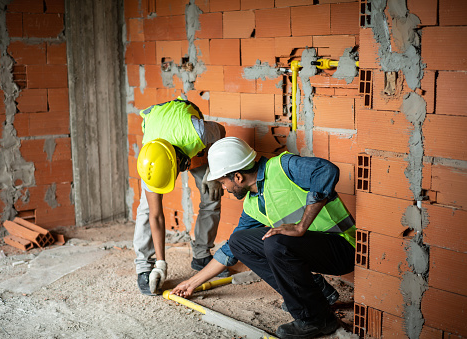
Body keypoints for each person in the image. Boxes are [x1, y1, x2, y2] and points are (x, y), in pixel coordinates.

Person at [171, 137, 356, 339]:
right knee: (238, 241)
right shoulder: (252, 204)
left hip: (344, 248)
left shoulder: (283, 167)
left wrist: (302, 226)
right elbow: (230, 250)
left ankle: (315, 319)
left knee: (275, 242)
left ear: (238, 177)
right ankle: (315, 291)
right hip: (316, 251)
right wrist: (192, 282)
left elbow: (326, 170)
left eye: (223, 182)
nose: (224, 188)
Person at [134, 97, 227, 296]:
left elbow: (221, 131)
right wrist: (161, 264)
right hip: (159, 139)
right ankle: (145, 266)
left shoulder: (196, 133)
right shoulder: (149, 160)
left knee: (212, 192)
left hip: (187, 135)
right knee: (147, 208)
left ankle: (201, 256)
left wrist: (213, 172)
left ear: (179, 162)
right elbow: (157, 216)